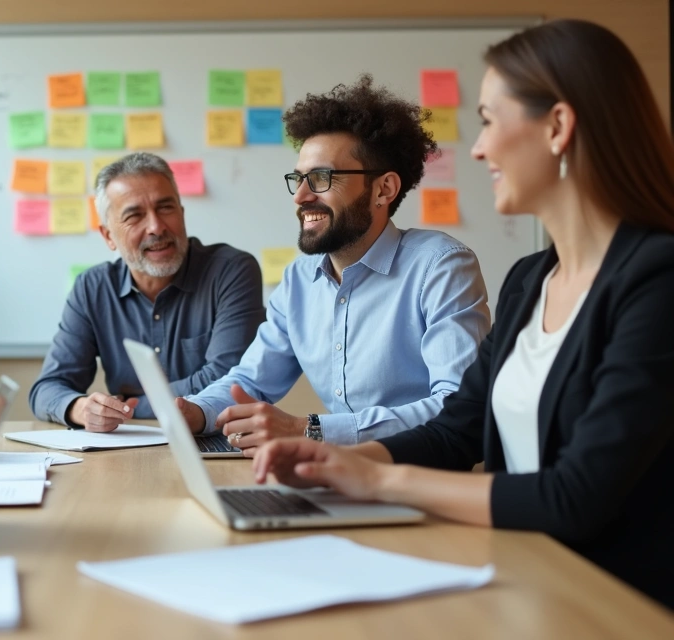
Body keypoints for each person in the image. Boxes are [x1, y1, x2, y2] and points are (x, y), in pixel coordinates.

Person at [250, 20, 674, 610]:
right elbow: (458, 429)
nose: (478, 148)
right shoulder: (531, 280)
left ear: (557, 126)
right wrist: (333, 460)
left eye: (488, 121)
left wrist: (377, 478)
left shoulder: (657, 279)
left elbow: (578, 496)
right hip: (516, 571)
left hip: (611, 602)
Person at [176, 76, 491, 451]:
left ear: (383, 189)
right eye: (299, 178)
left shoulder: (441, 266)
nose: (301, 196)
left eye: (322, 178)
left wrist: (309, 429)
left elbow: (454, 405)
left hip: (420, 472)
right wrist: (194, 412)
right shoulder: (298, 279)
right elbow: (251, 383)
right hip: (340, 473)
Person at [27, 152, 265, 432]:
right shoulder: (92, 288)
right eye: (134, 215)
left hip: (212, 442)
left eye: (166, 208)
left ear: (182, 213)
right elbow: (46, 389)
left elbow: (229, 381)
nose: (156, 226)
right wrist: (80, 408)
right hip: (129, 447)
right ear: (108, 236)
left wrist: (133, 404)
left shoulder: (231, 271)